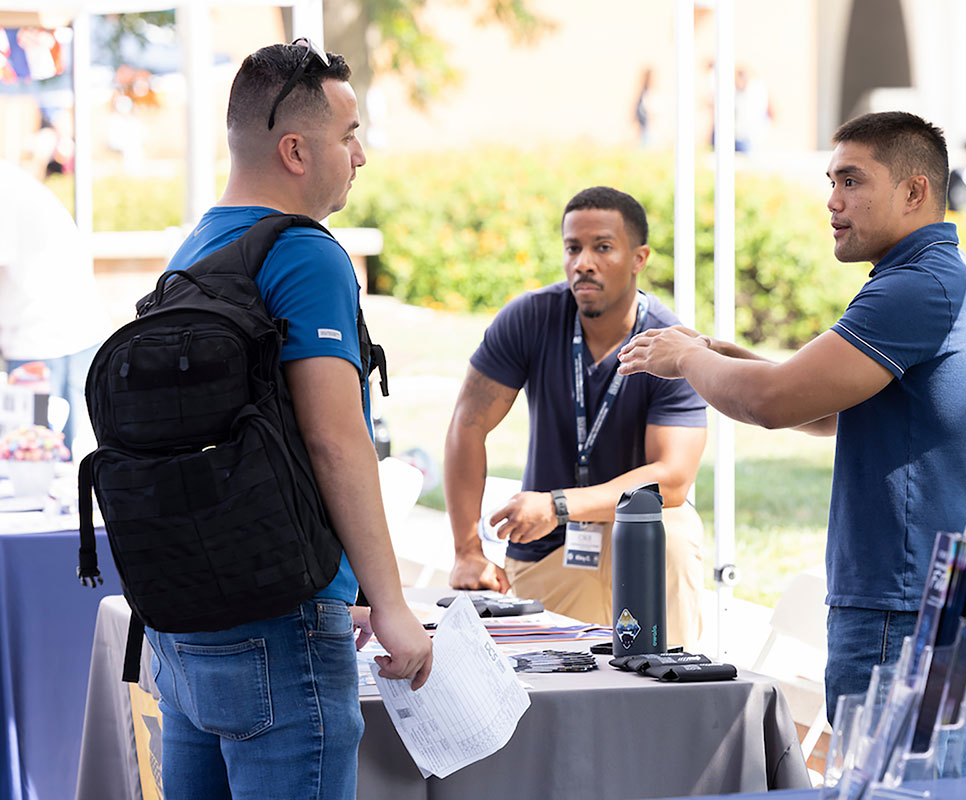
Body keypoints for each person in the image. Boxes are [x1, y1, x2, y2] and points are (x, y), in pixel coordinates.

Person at [617, 111, 966, 772]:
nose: (832, 201)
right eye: (831, 181)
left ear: (914, 192)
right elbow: (824, 405)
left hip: (904, 599)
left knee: (888, 791)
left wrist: (687, 360)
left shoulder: (916, 287)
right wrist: (715, 351)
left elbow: (776, 404)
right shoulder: (936, 276)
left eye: (852, 181)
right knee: (917, 788)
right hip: (933, 591)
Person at [143, 40, 432, 800]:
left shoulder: (197, 246)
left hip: (189, 621)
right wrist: (394, 606)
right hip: (282, 626)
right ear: (297, 150)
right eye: (349, 135)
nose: (361, 155)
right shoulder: (306, 255)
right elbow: (335, 441)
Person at [444, 186, 708, 649]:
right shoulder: (530, 318)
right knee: (543, 698)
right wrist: (467, 551)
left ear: (638, 258)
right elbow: (467, 424)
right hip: (551, 548)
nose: (583, 262)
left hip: (641, 539)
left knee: (675, 529)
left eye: (602, 247)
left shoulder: (670, 343)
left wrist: (558, 505)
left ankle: (673, 693)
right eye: (573, 248)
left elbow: (673, 480)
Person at [0, 159, 111, 456]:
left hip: (43, 343)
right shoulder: (13, 182)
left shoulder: (5, 188)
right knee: (53, 463)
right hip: (63, 336)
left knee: (35, 463)